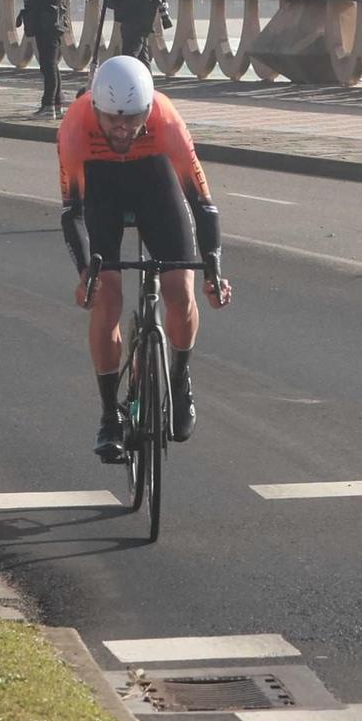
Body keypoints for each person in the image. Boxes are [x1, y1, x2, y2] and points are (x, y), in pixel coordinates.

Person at [58, 55, 231, 461]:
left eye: (133, 119)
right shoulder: (76, 127)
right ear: (96, 108)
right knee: (106, 297)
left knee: (179, 290)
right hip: (103, 188)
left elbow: (202, 203)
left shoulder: (166, 121)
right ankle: (108, 416)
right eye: (113, 120)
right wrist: (87, 273)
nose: (122, 128)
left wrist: (213, 268)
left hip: (154, 181)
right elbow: (72, 212)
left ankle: (180, 376)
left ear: (148, 109)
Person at [18, 0, 70, 117]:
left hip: (52, 24)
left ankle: (48, 104)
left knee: (49, 65)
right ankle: (57, 103)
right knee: (48, 65)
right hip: (41, 23)